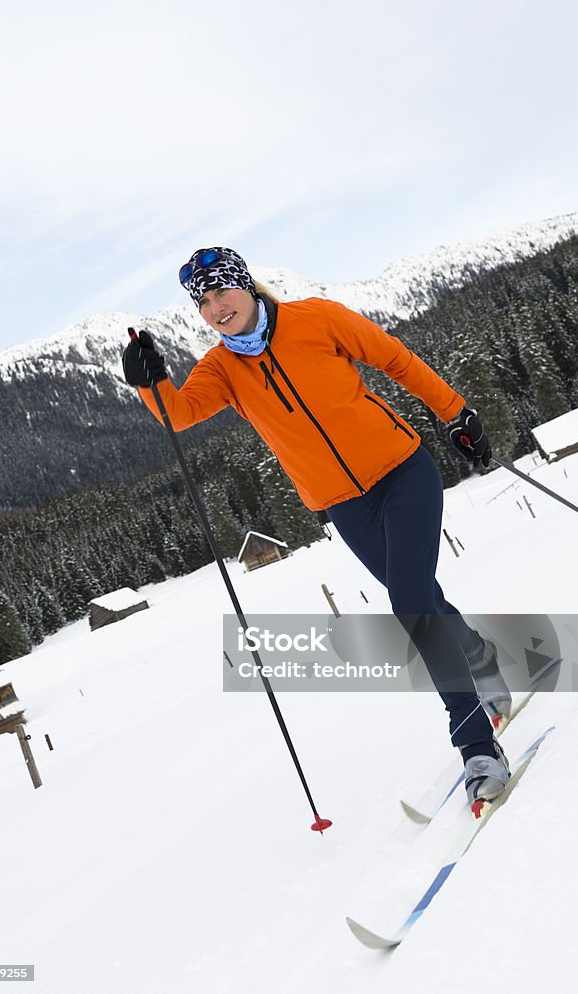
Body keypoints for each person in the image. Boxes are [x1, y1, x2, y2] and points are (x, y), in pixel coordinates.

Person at [122, 246, 512, 806]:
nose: (214, 309)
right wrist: (148, 381)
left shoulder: (316, 319)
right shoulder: (221, 369)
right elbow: (178, 414)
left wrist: (456, 412)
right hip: (342, 504)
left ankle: (475, 743)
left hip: (403, 471)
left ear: (246, 286)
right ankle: (479, 657)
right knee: (419, 596)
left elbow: (395, 359)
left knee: (410, 603)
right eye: (202, 303)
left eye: (221, 293)